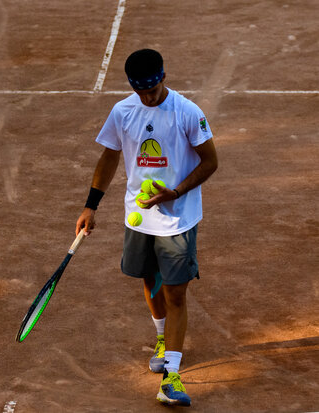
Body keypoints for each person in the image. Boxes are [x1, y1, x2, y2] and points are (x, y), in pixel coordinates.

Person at [75, 49, 218, 406]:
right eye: (141, 91)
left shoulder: (187, 112)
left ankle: (172, 376)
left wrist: (178, 191)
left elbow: (211, 160)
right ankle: (160, 336)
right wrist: (90, 205)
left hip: (177, 219)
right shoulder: (123, 112)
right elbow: (109, 156)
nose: (147, 97)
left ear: (163, 78)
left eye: (152, 90)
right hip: (138, 218)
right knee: (150, 281)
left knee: (176, 294)